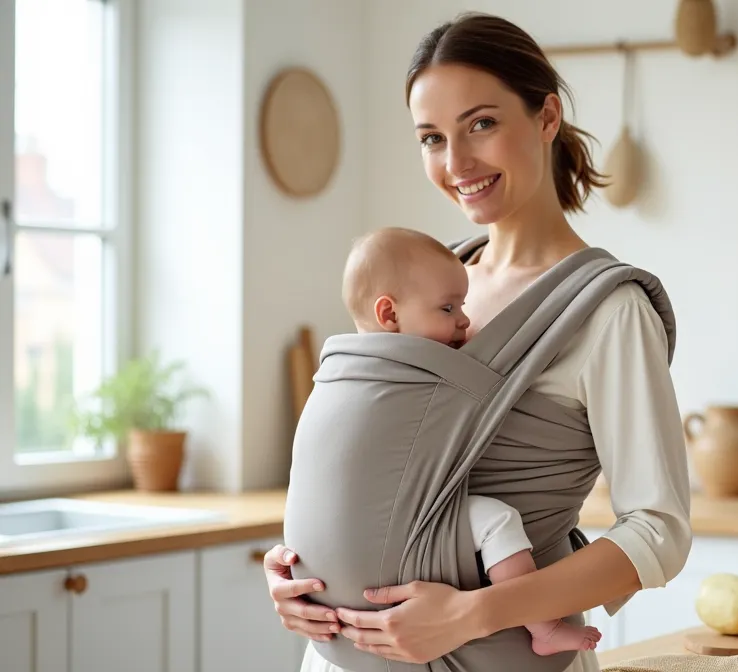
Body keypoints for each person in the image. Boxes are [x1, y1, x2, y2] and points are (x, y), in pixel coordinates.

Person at [263, 11, 692, 672]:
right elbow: (361, 462)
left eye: (481, 125)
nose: (455, 162)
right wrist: (297, 568)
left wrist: (472, 613)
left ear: (547, 117)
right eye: (432, 138)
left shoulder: (609, 311)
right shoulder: (420, 286)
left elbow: (659, 532)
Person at [314, 224, 604, 656]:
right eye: (448, 308)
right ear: (389, 315)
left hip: (340, 542)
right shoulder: (413, 377)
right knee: (496, 519)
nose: (465, 321)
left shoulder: (347, 371)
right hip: (401, 518)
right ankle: (542, 626)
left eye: (462, 305)